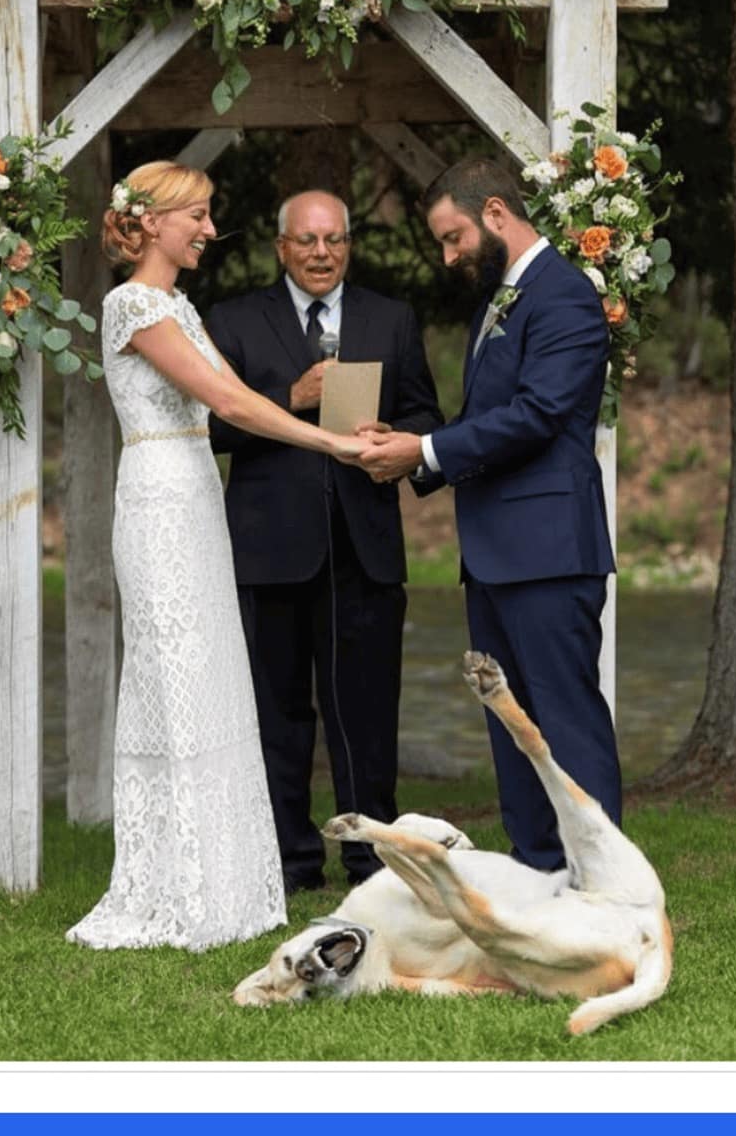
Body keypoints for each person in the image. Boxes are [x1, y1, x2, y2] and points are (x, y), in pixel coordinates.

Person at [65, 163, 364, 951]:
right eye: (196, 216)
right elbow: (230, 404)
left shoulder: (179, 306)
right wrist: (333, 440)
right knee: (175, 672)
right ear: (154, 222)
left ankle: (226, 879)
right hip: (160, 496)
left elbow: (243, 394)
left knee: (215, 672)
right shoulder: (131, 304)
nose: (207, 229)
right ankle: (175, 882)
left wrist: (325, 417)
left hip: (199, 493)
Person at [359, 156, 620, 873]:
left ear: (497, 214)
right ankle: (539, 869)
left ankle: (601, 884)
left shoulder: (562, 295)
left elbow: (537, 416)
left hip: (549, 549)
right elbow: (488, 419)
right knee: (512, 723)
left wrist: (427, 448)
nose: (448, 257)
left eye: (453, 238)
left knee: (564, 718)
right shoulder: (501, 298)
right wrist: (412, 450)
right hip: (497, 551)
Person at [205, 190, 442, 892]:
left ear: (349, 246)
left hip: (364, 550)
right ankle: (288, 862)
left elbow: (425, 413)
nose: (320, 253)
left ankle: (374, 861)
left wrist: (391, 437)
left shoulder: (390, 319)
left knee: (366, 714)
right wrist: (290, 401)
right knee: (277, 717)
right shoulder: (235, 321)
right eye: (306, 241)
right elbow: (211, 432)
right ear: (281, 247)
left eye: (334, 240)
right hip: (269, 553)